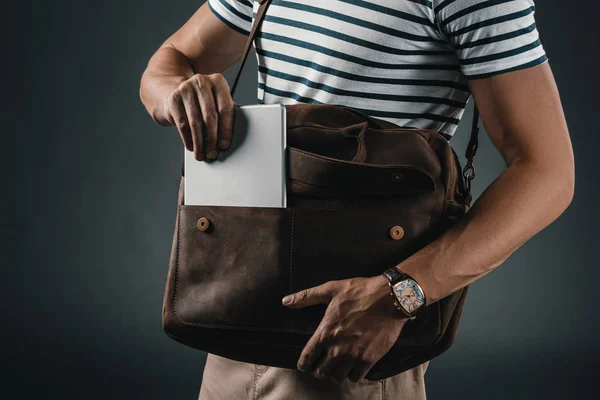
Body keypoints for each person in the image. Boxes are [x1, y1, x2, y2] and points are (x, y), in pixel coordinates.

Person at [139, 0, 575, 399]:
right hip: (240, 304)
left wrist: (400, 294)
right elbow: (174, 59)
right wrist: (176, 94)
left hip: (347, 331)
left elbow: (547, 172)